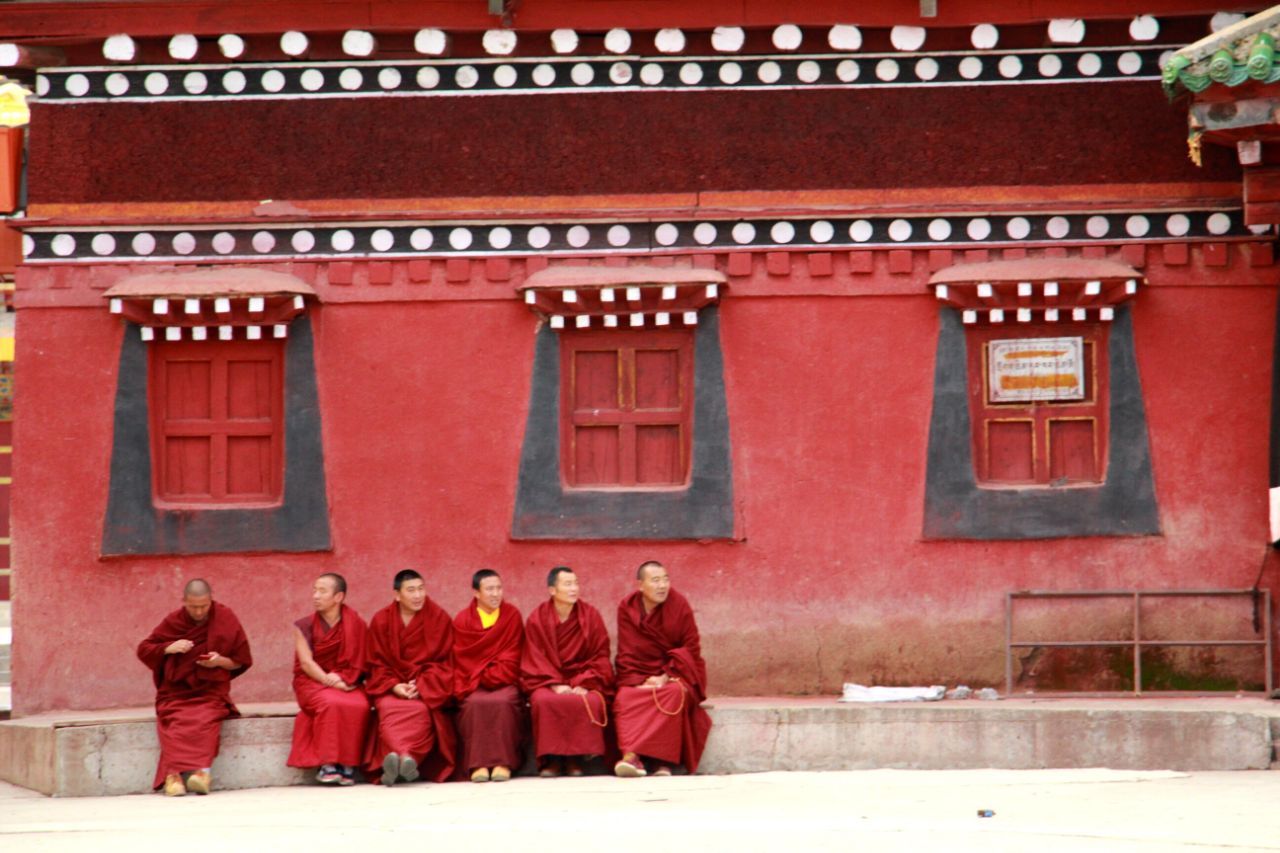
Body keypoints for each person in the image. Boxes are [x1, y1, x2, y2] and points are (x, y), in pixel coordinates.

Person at [136, 579, 252, 796]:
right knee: (173, 720)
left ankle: (202, 774)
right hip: (175, 693)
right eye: (193, 607)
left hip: (209, 692)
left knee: (206, 718)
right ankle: (174, 776)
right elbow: (144, 649)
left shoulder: (225, 618)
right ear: (184, 602)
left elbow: (240, 661)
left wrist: (218, 661)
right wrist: (168, 648)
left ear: (211, 600)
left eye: (204, 606)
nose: (199, 612)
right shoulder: (174, 621)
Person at [612, 560, 712, 778]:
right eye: (655, 580)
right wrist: (638, 679)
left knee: (674, 694)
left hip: (675, 673)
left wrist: (666, 676)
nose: (662, 586)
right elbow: (627, 650)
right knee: (626, 696)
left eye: (666, 579)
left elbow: (691, 648)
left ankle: (661, 760)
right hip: (639, 673)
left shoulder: (679, 605)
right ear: (640, 585)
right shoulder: (627, 608)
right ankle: (631, 755)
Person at [364, 569, 456, 786]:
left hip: (424, 687)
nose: (418, 596)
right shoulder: (381, 620)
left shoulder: (438, 617)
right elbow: (375, 664)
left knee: (420, 710)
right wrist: (394, 685)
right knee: (389, 708)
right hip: (391, 687)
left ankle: (404, 758)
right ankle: (403, 758)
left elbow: (446, 662)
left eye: (421, 589)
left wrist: (422, 684)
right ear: (397, 595)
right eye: (411, 590)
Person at [521, 566, 614, 777]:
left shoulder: (591, 616)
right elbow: (534, 657)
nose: (574, 589)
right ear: (552, 590)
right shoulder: (537, 619)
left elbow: (600, 655)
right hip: (546, 680)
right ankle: (552, 760)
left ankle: (575, 759)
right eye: (568, 584)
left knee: (589, 700)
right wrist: (555, 683)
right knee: (543, 701)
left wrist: (583, 682)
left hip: (583, 678)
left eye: (576, 584)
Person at [287, 572, 372, 786]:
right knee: (331, 702)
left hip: (347, 680)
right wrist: (329, 680)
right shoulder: (303, 626)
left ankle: (348, 764)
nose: (315, 595)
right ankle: (329, 764)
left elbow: (361, 661)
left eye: (322, 591)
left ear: (339, 597)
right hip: (312, 681)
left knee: (360, 704)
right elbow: (306, 663)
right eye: (314, 590)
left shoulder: (357, 625)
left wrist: (346, 680)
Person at [452, 569, 526, 783]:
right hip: (473, 683)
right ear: (476, 592)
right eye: (490, 589)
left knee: (504, 701)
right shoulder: (463, 620)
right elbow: (462, 658)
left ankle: (503, 762)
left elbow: (514, 654)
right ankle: (478, 763)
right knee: (473, 704)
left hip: (503, 679)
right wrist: (479, 676)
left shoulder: (511, 615)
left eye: (499, 588)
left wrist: (491, 674)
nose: (496, 594)